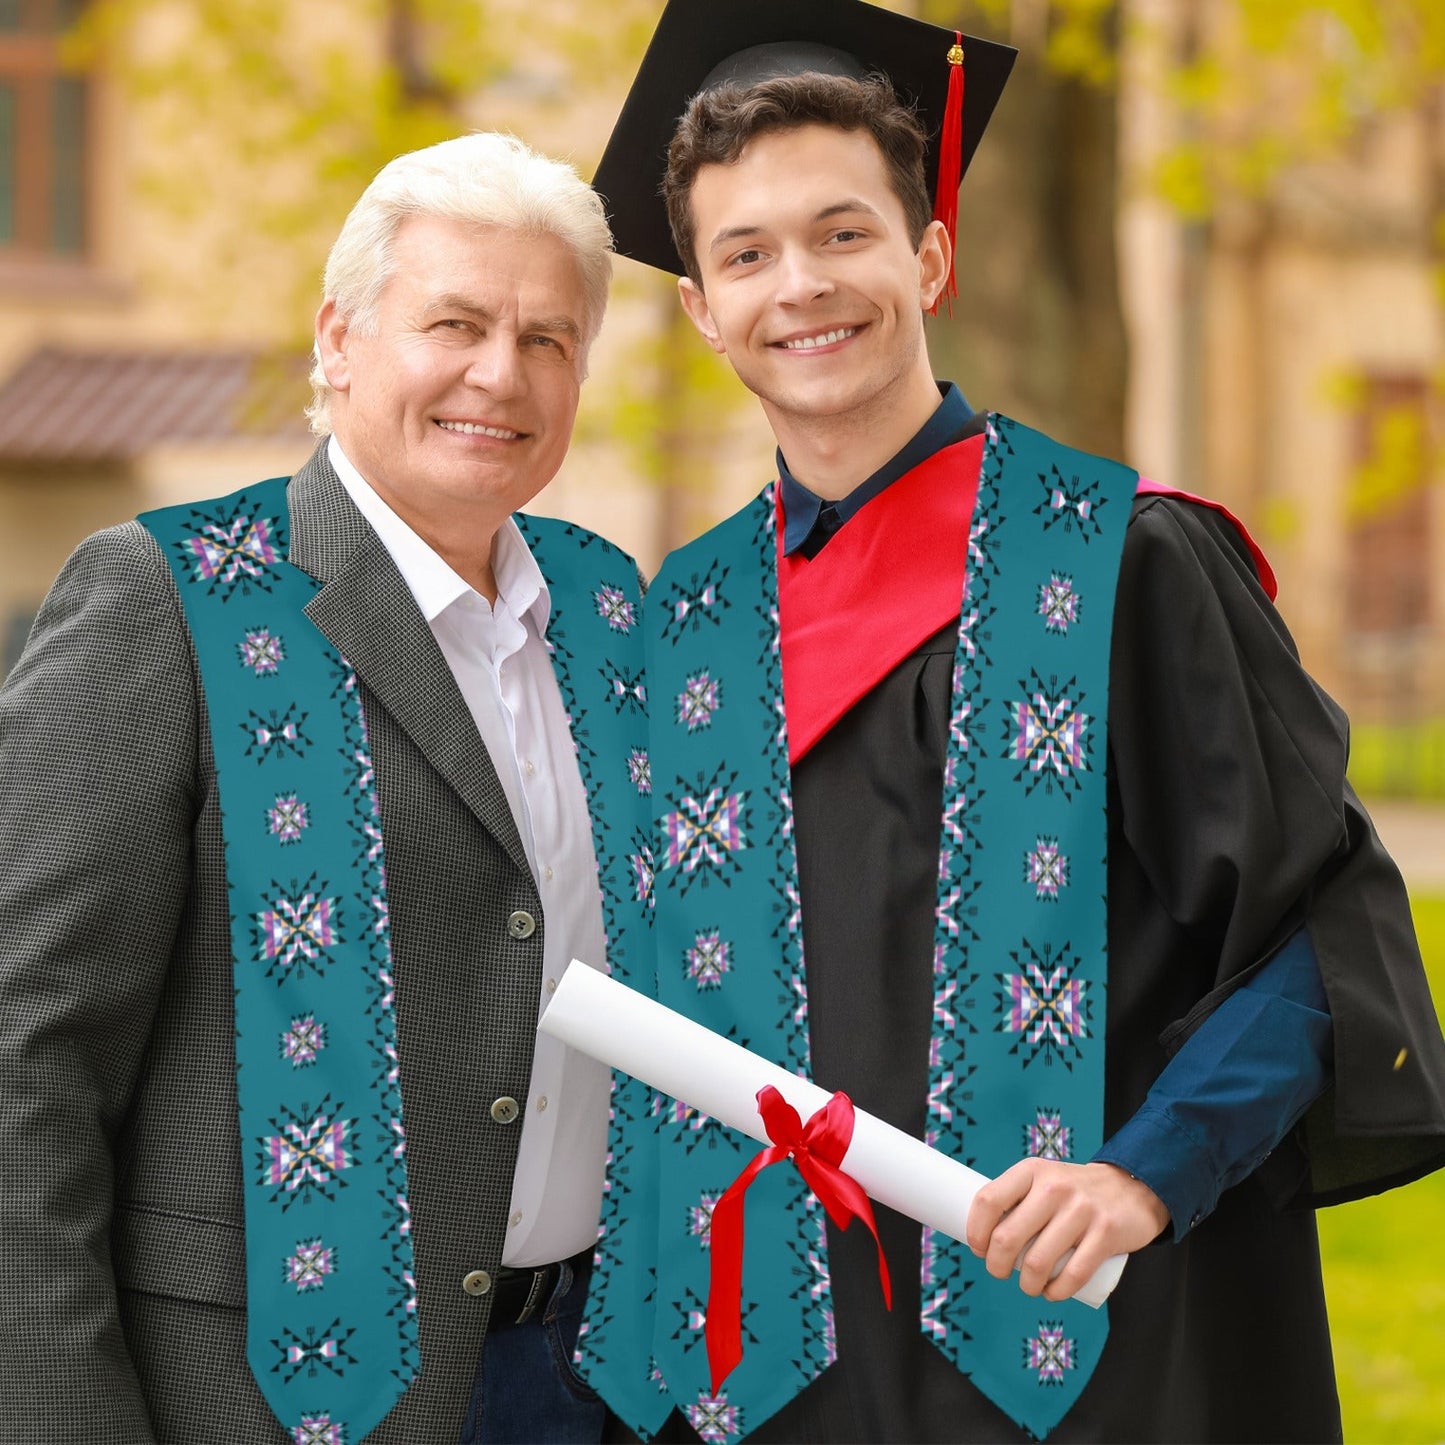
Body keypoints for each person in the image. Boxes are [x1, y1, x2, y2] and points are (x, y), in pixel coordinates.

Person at [574, 2, 1445, 1441]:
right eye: (745, 254)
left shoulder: (1122, 563)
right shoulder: (688, 628)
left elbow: (1316, 932)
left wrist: (1143, 1172)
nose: (800, 285)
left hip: (1087, 1344)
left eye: (843, 233)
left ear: (928, 254)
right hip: (782, 1378)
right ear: (699, 308)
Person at [0, 132, 651, 1445]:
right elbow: (26, 1056)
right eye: (454, 322)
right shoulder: (170, 596)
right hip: (262, 1396)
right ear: (339, 339)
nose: (498, 373)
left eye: (547, 338)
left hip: (586, 1383)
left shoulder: (607, 611)